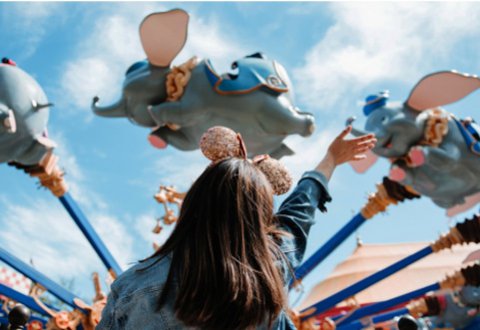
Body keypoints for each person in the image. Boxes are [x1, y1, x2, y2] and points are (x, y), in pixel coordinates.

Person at [97, 126, 376, 330]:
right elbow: (299, 210)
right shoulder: (271, 268)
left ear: (193, 204)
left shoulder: (133, 286)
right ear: (260, 218)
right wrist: (330, 160)